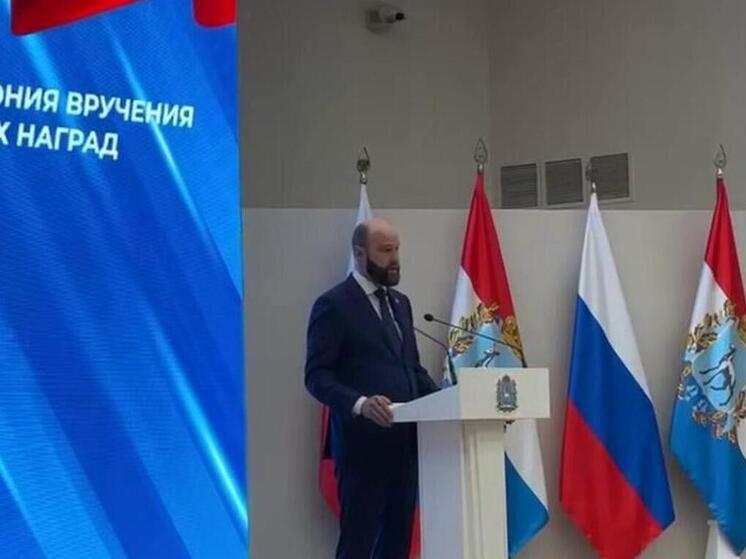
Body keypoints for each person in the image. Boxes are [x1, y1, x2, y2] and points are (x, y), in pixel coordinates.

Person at [305, 217, 439, 559]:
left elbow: (413, 370)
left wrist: (451, 398)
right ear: (360, 253)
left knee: (397, 545)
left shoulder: (401, 303)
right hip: (361, 450)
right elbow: (317, 376)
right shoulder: (334, 305)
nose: (395, 259)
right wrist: (361, 404)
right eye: (385, 250)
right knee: (358, 546)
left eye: (397, 250)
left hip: (404, 448)